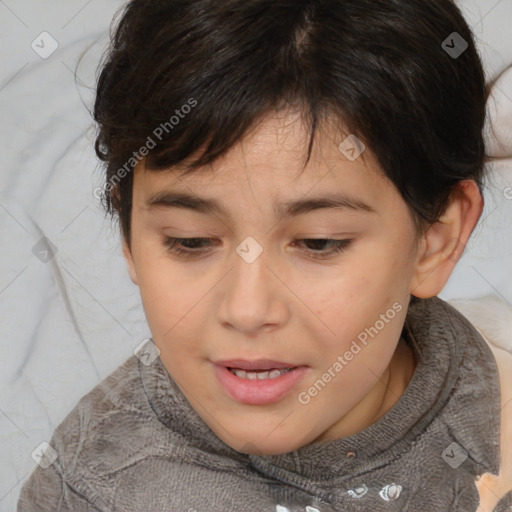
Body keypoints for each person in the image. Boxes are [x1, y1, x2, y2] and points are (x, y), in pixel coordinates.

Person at [17, 0, 512, 510]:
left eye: (319, 243)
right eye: (189, 241)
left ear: (436, 238)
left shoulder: (498, 420)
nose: (248, 309)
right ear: (129, 235)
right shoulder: (93, 489)